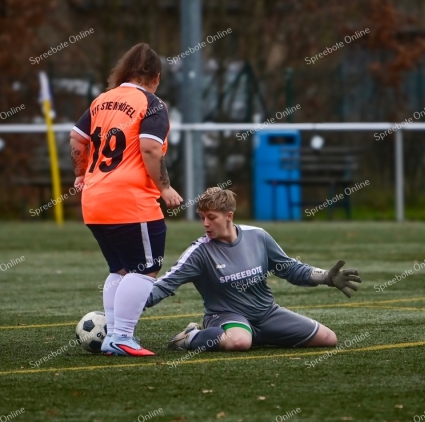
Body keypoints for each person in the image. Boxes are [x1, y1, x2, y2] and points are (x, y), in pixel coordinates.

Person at [144, 187, 361, 352]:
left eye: (212, 217)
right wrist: (126, 305)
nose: (206, 224)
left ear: (229, 216)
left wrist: (326, 277)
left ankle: (258, 333)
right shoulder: (200, 252)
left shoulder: (258, 236)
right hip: (225, 316)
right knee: (239, 341)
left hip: (266, 313)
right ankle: (190, 337)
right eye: (202, 218)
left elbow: (290, 269)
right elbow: (166, 284)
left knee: (328, 339)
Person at [70, 42, 182, 357]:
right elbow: (149, 148)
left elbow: (76, 138)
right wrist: (165, 188)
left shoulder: (101, 100)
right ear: (156, 77)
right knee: (146, 269)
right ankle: (121, 336)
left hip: (94, 200)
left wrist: (81, 173)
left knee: (120, 269)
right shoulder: (153, 104)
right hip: (130, 202)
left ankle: (112, 338)